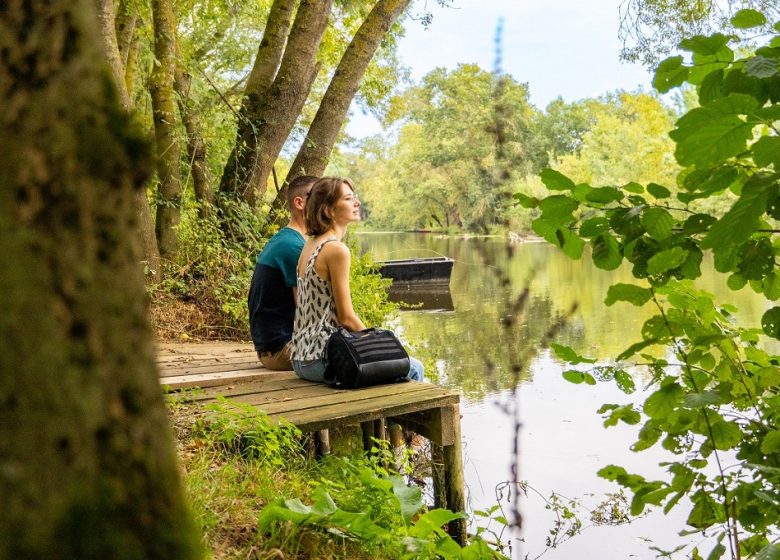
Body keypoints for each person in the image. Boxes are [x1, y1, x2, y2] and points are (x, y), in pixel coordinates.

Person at [291, 176, 424, 383]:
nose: (357, 203)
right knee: (413, 367)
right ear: (329, 210)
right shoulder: (336, 250)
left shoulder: (311, 243)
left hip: (301, 358)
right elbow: (346, 318)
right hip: (322, 359)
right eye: (348, 198)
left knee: (395, 362)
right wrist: (378, 345)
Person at [248, 175, 318, 370]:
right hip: (284, 351)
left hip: (273, 348)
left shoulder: (287, 238)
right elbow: (308, 315)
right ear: (300, 203)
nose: (326, 204)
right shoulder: (294, 247)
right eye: (320, 197)